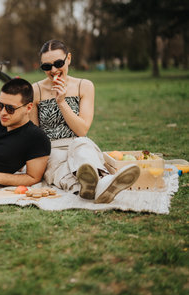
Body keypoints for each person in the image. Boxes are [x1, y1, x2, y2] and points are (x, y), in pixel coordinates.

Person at [30, 40, 140, 203]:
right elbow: (35, 135)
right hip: (50, 148)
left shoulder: (84, 86)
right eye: (46, 67)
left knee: (83, 148)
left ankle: (95, 181)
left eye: (58, 63)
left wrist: (61, 101)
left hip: (77, 142)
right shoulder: (35, 90)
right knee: (59, 165)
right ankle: (98, 186)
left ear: (68, 59)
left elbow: (82, 130)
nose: (53, 70)